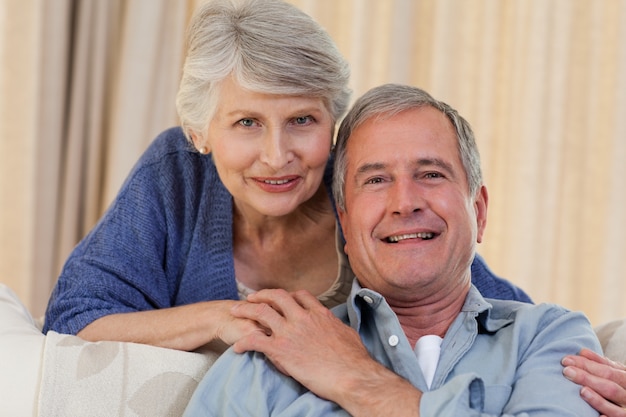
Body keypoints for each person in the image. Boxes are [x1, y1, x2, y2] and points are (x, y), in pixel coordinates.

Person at [42, 0, 530, 352]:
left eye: (302, 120)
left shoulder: (366, 188)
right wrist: (223, 319)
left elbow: (487, 303)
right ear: (200, 132)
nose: (277, 157)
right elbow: (74, 322)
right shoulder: (175, 177)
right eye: (247, 123)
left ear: (333, 123)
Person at [182, 83, 602, 416]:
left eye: (431, 173)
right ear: (345, 223)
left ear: (479, 211)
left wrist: (354, 378)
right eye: (377, 180)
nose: (405, 202)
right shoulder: (271, 353)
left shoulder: (549, 339)